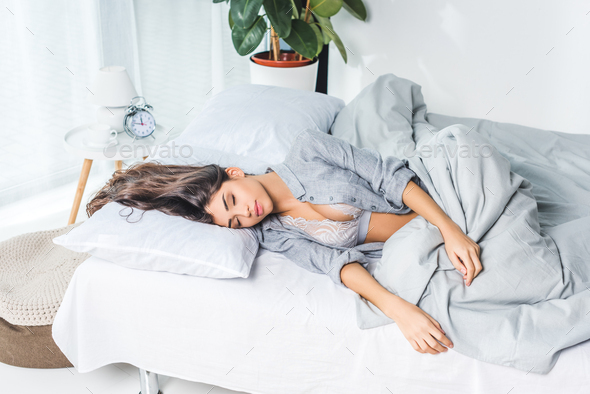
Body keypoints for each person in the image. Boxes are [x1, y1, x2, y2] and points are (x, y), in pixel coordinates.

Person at [86, 129, 482, 356]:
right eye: (235, 220)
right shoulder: (271, 232)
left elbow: (390, 178)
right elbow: (335, 265)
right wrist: (398, 310)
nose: (246, 213)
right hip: (423, 241)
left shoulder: (310, 148)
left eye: (232, 199)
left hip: (440, 195)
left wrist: (451, 230)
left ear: (235, 173)